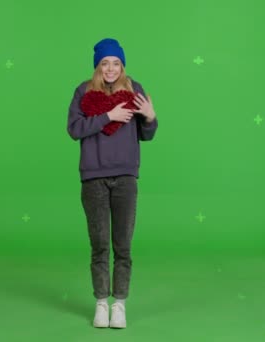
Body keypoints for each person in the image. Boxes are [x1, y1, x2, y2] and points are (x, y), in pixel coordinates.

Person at [67, 38, 158, 329]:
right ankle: (100, 305)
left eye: (115, 63)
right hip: (93, 177)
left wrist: (151, 117)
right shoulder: (83, 92)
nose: (110, 68)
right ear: (97, 66)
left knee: (123, 246)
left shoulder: (135, 90)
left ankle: (119, 304)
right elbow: (74, 129)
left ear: (122, 65)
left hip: (126, 177)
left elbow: (146, 134)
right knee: (99, 246)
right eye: (104, 63)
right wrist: (108, 115)